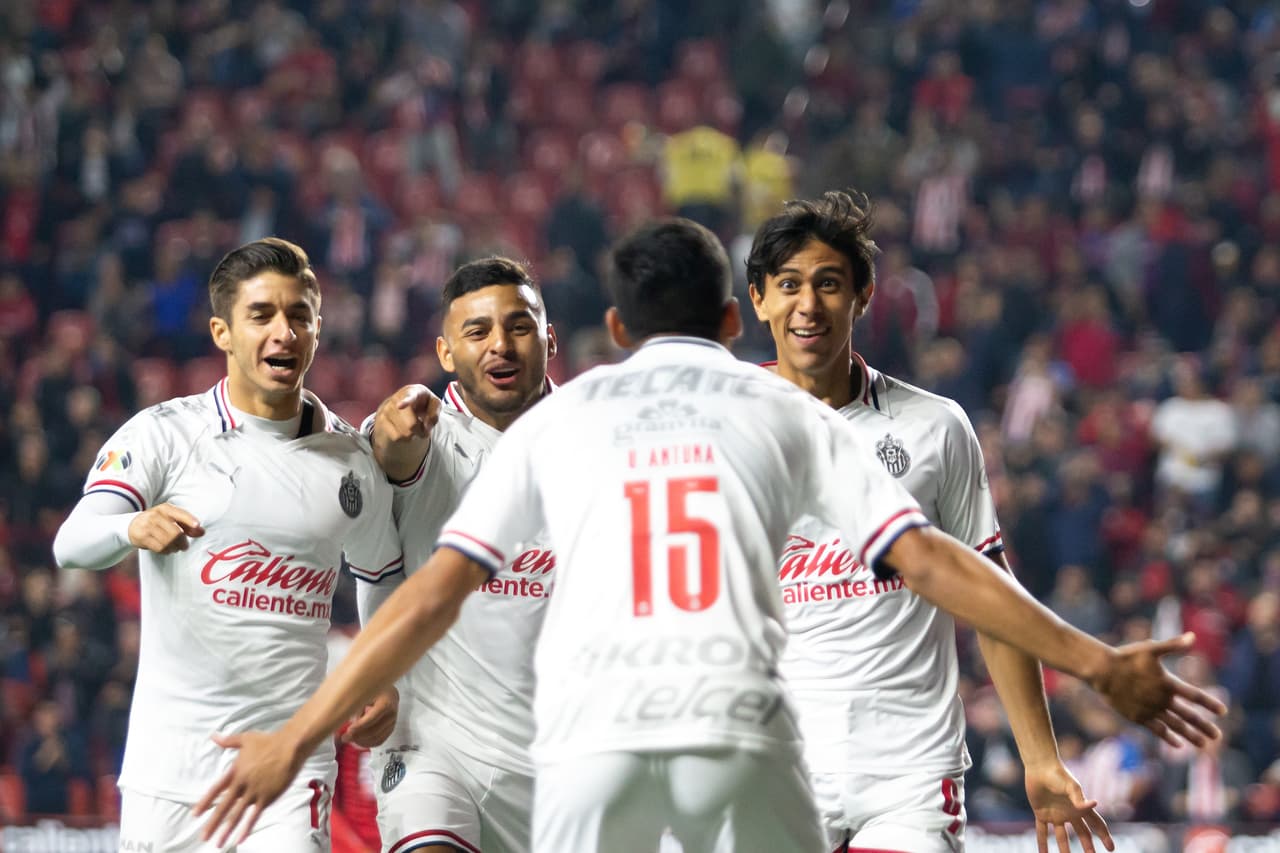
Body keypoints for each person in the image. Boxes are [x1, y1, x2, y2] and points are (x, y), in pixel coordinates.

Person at [195, 220, 1224, 853]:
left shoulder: (564, 417)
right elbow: (931, 561)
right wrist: (1093, 661)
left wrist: (298, 731)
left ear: (609, 329)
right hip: (739, 733)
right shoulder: (785, 412)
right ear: (736, 320)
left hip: (595, 748)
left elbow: (430, 595)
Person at [746, 189, 1106, 853]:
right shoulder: (723, 431)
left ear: (863, 294)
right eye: (789, 284)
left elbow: (994, 600)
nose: (808, 304)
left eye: (830, 283)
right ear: (759, 297)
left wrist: (1040, 757)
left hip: (909, 773)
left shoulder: (935, 427)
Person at [52, 237, 402, 852]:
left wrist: (384, 675)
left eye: (299, 315)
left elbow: (381, 575)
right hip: (170, 769)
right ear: (222, 332)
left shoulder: (352, 462)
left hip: (290, 770)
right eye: (261, 315)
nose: (284, 332)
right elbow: (71, 543)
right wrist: (129, 528)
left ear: (319, 328)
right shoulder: (164, 434)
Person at [358, 257, 558, 853]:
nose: (501, 345)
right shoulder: (426, 432)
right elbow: (389, 449)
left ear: (549, 339)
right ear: (447, 353)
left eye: (519, 327)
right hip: (437, 751)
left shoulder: (596, 440)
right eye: (477, 332)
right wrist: (391, 434)